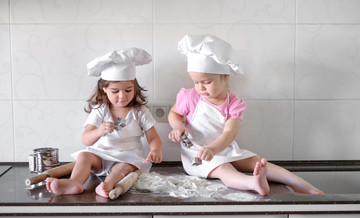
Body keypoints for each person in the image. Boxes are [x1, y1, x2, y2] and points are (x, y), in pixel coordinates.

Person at [168, 34, 323, 196]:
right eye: (196, 82)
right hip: (197, 154)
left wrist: (214, 149)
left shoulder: (234, 103)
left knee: (254, 161)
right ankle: (253, 183)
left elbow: (229, 133)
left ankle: (300, 184)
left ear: (225, 76)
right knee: (223, 168)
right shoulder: (191, 97)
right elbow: (174, 113)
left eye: (206, 82)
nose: (200, 88)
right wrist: (178, 127)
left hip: (223, 148)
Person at [46, 48, 162, 198]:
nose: (122, 96)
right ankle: (74, 182)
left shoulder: (140, 111)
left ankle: (107, 185)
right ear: (104, 89)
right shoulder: (100, 110)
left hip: (127, 156)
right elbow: (86, 139)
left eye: (128, 90)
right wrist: (99, 131)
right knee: (84, 156)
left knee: (124, 167)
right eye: (115, 91)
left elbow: (153, 137)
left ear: (135, 88)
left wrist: (155, 151)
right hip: (99, 155)